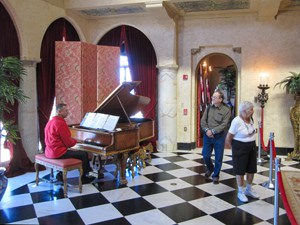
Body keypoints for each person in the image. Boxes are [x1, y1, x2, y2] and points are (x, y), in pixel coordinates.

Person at [44, 103, 94, 184]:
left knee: (79, 153)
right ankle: (85, 177)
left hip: (49, 151)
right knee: (83, 154)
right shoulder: (60, 123)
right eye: (66, 111)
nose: (68, 112)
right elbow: (68, 143)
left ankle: (60, 174)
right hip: (58, 152)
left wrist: (73, 141)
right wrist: (77, 141)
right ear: (59, 111)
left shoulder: (50, 121)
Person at [225, 101, 260, 202]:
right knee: (240, 170)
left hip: (251, 147)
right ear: (244, 111)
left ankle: (249, 189)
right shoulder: (236, 121)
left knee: (251, 169)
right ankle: (240, 191)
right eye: (251, 110)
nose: (253, 111)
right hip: (240, 147)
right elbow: (228, 138)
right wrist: (234, 149)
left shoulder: (250, 118)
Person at [201, 90, 231, 184]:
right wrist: (207, 130)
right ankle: (210, 169)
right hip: (207, 136)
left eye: (214, 97)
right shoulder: (209, 107)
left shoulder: (226, 110)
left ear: (220, 99)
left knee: (218, 158)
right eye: (213, 97)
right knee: (205, 155)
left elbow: (224, 125)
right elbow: (203, 121)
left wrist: (213, 131)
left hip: (219, 137)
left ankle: (216, 175)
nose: (212, 98)